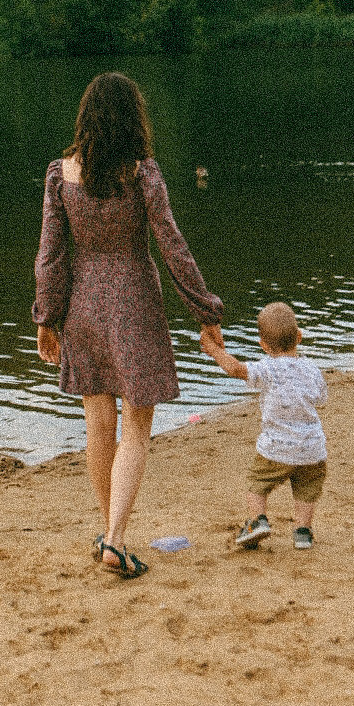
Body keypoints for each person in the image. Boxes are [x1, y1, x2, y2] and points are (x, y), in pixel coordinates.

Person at [33, 71, 225, 579]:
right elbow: (171, 246)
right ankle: (115, 538)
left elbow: (49, 258)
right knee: (136, 431)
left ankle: (108, 533)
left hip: (83, 307)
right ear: (133, 118)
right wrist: (205, 310)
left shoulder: (60, 174)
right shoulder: (142, 173)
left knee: (99, 427)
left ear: (86, 117)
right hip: (135, 301)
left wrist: (47, 317)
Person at [200, 301, 327, 550]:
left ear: (263, 346)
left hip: (276, 446)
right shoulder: (312, 369)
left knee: (257, 483)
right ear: (299, 337)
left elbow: (235, 368)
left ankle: (259, 520)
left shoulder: (266, 368)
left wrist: (214, 350)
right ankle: (302, 531)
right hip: (312, 447)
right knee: (307, 487)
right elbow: (321, 399)